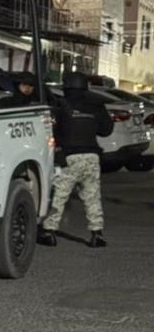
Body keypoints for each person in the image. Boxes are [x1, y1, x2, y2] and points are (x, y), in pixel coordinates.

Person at [38, 72, 114, 248]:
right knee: (92, 196)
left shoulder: (61, 105)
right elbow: (106, 130)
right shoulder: (96, 105)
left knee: (59, 195)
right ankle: (97, 234)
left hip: (68, 156)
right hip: (92, 156)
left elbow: (51, 129)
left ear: (66, 87)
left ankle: (49, 232)